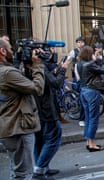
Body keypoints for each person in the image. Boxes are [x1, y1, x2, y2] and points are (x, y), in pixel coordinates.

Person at [0, 38, 45, 179]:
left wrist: (26, 67)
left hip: (9, 125)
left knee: (17, 171)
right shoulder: (7, 73)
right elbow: (37, 88)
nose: (13, 52)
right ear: (2, 51)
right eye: (11, 49)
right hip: (17, 127)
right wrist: (38, 65)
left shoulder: (7, 71)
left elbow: (21, 85)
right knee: (24, 173)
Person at [33, 49, 70, 180]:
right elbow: (55, 83)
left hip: (37, 110)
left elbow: (49, 79)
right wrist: (63, 69)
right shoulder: (38, 67)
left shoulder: (29, 67)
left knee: (40, 140)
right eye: (41, 51)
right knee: (53, 137)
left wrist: (55, 70)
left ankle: (42, 167)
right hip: (45, 109)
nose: (45, 54)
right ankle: (39, 168)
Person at [77, 45, 104, 152]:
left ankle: (88, 141)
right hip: (92, 91)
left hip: (83, 90)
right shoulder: (89, 65)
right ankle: (91, 143)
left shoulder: (80, 64)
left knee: (87, 118)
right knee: (93, 118)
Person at [66, 36, 86, 127]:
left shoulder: (86, 51)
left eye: (81, 42)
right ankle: (81, 117)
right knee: (80, 95)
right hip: (77, 76)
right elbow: (68, 60)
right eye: (78, 42)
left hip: (85, 76)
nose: (80, 43)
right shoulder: (74, 51)